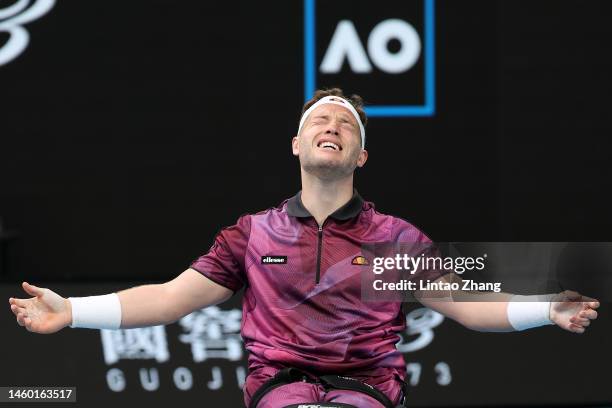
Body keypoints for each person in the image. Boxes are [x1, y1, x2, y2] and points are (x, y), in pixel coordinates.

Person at [8, 89, 600, 408]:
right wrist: (72, 312)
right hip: (278, 387)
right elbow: (168, 300)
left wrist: (545, 310)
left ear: (360, 156)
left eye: (347, 126)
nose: (333, 127)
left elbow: (470, 305)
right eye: (321, 119)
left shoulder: (395, 238)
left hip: (369, 387)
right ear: (297, 143)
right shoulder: (251, 233)